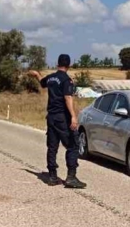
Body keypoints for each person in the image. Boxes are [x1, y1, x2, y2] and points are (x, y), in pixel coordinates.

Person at [28, 54, 86, 189]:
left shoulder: (51, 78)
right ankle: (71, 177)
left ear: (57, 64)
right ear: (69, 65)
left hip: (51, 117)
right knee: (73, 145)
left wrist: (36, 74)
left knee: (52, 147)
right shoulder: (66, 80)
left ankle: (52, 176)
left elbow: (42, 81)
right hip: (62, 118)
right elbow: (68, 98)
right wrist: (73, 116)